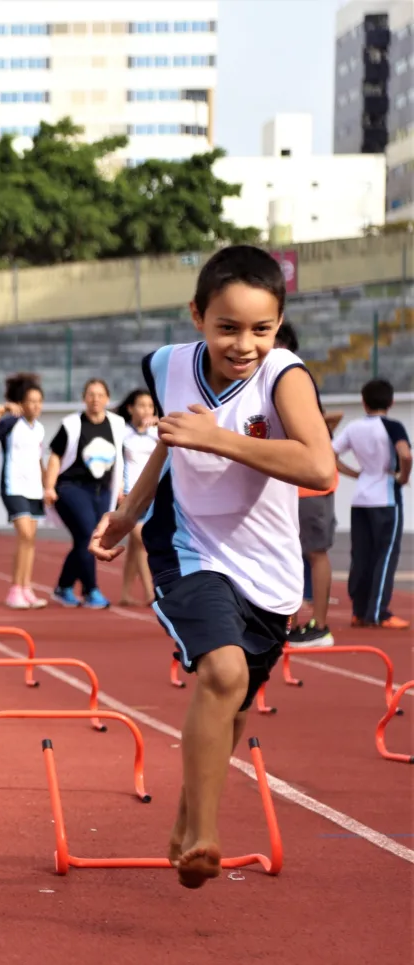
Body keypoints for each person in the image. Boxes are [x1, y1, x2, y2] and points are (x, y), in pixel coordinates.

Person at [91, 245, 335, 889]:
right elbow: (170, 443)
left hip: (271, 568)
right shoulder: (167, 365)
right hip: (189, 546)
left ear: (278, 324)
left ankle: (182, 825)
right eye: (227, 327)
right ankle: (205, 833)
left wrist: (221, 438)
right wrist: (128, 513)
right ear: (197, 315)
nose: (244, 344)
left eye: (261, 329)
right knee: (221, 672)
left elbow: (320, 467)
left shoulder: (284, 377)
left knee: (237, 703)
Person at [273, 322, 343, 646]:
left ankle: (320, 626)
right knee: (292, 553)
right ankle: (293, 622)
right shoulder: (279, 379)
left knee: (315, 552)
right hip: (290, 484)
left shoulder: (293, 377)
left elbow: (319, 425)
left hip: (309, 485)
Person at [334, 378, 411, 630]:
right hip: (386, 498)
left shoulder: (354, 427)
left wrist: (355, 474)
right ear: (391, 402)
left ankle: (359, 610)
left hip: (361, 498)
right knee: (385, 556)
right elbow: (405, 454)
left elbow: (329, 453)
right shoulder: (392, 426)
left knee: (362, 556)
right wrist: (403, 477)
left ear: (363, 402)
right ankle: (378, 612)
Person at [45, 378, 127, 609]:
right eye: (91, 395)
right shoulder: (71, 424)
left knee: (88, 539)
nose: (95, 399)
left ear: (107, 399)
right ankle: (91, 590)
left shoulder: (117, 424)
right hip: (71, 487)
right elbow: (55, 457)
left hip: (102, 491)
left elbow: (121, 458)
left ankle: (64, 587)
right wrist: (49, 487)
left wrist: (121, 487)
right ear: (84, 398)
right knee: (88, 535)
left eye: (100, 395)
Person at [0, 373, 48, 609]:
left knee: (31, 541)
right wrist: (1, 411)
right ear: (21, 403)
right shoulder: (11, 423)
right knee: (25, 536)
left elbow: (39, 460)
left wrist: (47, 485)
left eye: (39, 401)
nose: (36, 406)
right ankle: (14, 590)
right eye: (31, 401)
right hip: (13, 487)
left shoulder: (39, 429)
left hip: (34, 489)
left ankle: (26, 587)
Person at [113, 388, 159, 607]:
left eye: (150, 406)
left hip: (153, 492)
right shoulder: (122, 433)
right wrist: (119, 488)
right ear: (130, 408)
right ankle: (151, 591)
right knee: (141, 539)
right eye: (141, 405)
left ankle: (124, 593)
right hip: (130, 493)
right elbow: (117, 462)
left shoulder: (156, 432)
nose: (146, 410)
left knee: (134, 545)